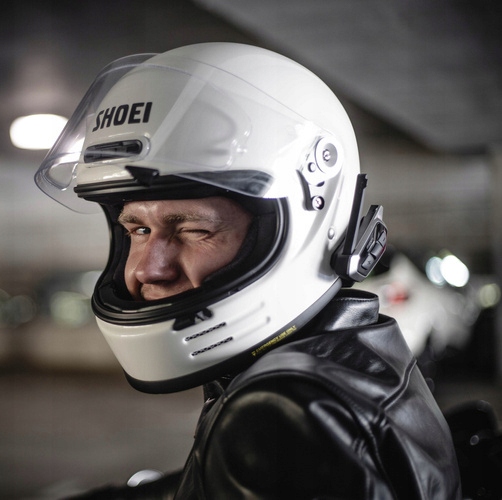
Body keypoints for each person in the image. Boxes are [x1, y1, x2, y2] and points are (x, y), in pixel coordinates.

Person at [35, 42, 461, 499]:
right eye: (137, 229)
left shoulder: (283, 414)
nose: (146, 271)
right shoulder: (348, 356)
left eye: (194, 230)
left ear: (306, 224)